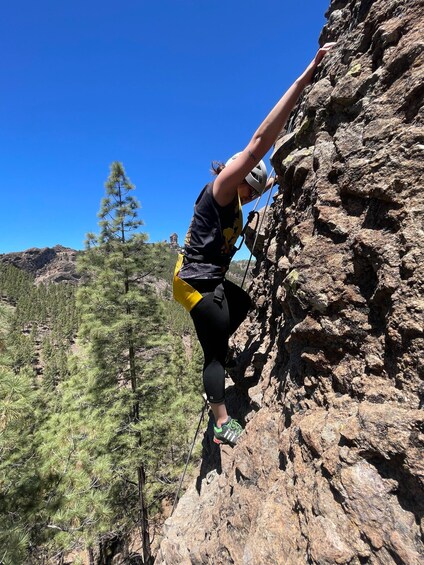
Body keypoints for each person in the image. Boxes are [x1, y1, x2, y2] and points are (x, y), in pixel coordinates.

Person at [173, 43, 336, 447]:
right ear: (238, 175)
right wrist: (305, 78)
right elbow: (260, 140)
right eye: (252, 187)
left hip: (209, 277)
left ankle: (223, 352)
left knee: (242, 304)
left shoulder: (237, 205)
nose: (249, 195)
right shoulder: (223, 187)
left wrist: (280, 180)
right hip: (192, 280)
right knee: (213, 350)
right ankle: (220, 422)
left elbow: (262, 175)